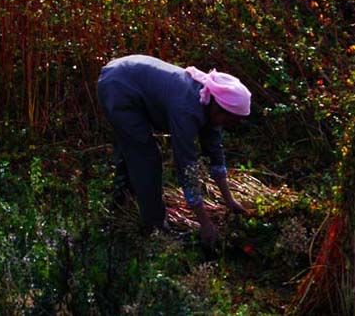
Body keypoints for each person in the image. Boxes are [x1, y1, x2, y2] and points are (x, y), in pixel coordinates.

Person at [97, 54, 250, 245]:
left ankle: (119, 206)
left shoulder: (210, 101)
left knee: (134, 152)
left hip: (128, 76)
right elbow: (187, 165)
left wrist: (229, 200)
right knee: (146, 158)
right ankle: (155, 229)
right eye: (231, 120)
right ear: (219, 108)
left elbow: (215, 153)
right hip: (119, 86)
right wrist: (205, 223)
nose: (231, 125)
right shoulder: (187, 108)